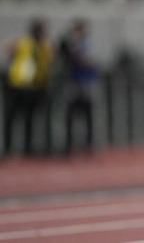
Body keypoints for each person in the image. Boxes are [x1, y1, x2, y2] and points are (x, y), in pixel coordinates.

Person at [3, 18, 54, 155]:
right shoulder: (24, 42)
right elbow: (8, 50)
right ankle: (8, 148)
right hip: (19, 85)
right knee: (12, 118)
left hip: (35, 87)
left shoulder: (45, 46)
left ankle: (28, 148)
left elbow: (48, 63)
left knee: (30, 119)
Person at [59, 19, 98, 154]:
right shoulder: (71, 44)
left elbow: (86, 61)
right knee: (70, 114)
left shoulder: (87, 44)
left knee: (88, 115)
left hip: (86, 82)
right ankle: (69, 145)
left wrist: (75, 54)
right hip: (74, 82)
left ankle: (88, 145)